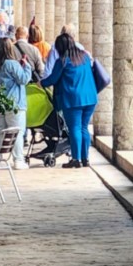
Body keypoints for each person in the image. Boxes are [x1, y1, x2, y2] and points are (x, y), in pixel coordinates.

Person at [43, 29, 99, 168]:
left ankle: (76, 159)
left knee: (74, 128)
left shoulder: (62, 61)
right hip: (90, 98)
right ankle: (85, 158)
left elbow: (52, 79)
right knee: (84, 128)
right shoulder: (85, 57)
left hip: (73, 99)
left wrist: (41, 83)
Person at [0, 37, 29, 168]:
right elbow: (24, 80)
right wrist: (26, 66)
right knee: (16, 132)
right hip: (14, 103)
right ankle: (18, 160)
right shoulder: (12, 64)